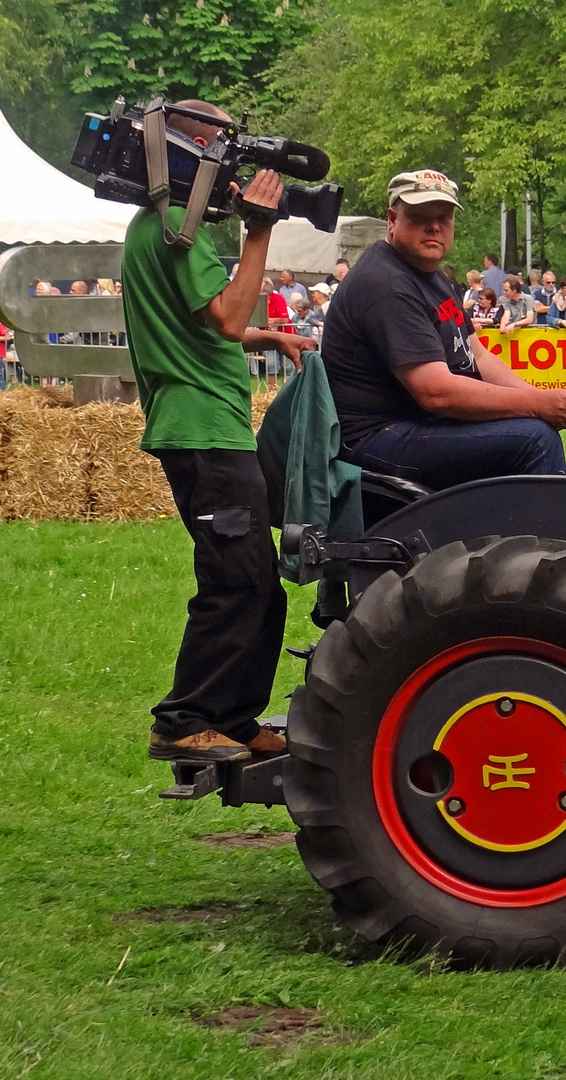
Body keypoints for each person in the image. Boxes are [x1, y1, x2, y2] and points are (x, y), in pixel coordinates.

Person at [122, 99, 317, 764]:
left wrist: (270, 334)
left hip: (212, 429)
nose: (231, 166)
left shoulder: (156, 222)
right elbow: (228, 319)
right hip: (203, 434)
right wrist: (259, 232)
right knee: (235, 581)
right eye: (220, 149)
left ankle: (233, 720)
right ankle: (183, 719)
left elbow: (200, 323)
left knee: (257, 580)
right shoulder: (177, 222)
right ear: (191, 151)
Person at [321, 169, 566, 493]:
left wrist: (539, 399)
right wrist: (536, 404)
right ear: (392, 219)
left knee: (535, 428)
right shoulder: (386, 283)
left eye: (444, 218)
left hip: (414, 425)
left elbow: (478, 355)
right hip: (376, 437)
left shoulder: (432, 277)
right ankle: (545, 543)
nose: (434, 226)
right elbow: (436, 392)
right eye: (419, 216)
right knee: (535, 440)